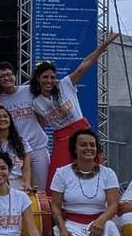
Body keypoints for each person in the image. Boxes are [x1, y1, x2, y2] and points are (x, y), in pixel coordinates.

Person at [29, 33, 118, 189]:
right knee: (58, 175)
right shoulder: (36, 103)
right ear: (38, 78)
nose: (49, 81)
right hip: (61, 137)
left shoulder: (65, 85)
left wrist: (104, 45)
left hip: (80, 130)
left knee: (92, 168)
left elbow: (86, 63)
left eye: (51, 77)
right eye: (45, 77)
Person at [48, 129, 123, 236]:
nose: (88, 148)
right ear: (74, 149)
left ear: (97, 149)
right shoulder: (62, 173)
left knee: (110, 227)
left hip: (99, 223)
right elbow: (55, 205)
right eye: (83, 145)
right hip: (72, 225)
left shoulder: (108, 174)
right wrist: (62, 229)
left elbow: (114, 205)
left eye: (92, 145)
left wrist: (101, 221)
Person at [0, 61, 50, 190]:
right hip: (16, 150)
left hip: (38, 147)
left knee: (42, 188)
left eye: (9, 74)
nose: (6, 78)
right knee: (19, 188)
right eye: (2, 76)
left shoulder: (29, 90)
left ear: (15, 75)